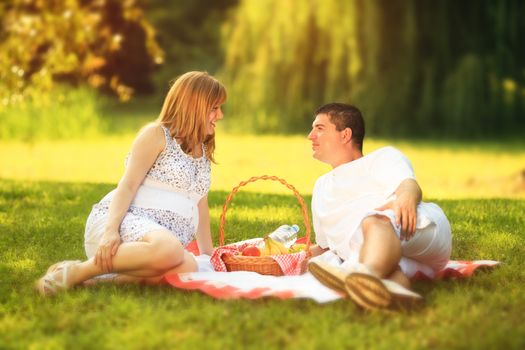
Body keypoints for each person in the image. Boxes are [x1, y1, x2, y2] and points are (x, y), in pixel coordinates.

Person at [36, 71, 226, 295]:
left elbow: (199, 205)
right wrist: (110, 232)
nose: (220, 115)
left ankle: (98, 283)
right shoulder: (156, 135)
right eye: (214, 108)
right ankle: (78, 271)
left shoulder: (203, 150)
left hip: (159, 247)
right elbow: (127, 186)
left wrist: (208, 255)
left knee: (188, 266)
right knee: (171, 251)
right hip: (123, 226)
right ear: (194, 106)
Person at [306, 103, 452, 310]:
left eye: (319, 128)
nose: (310, 136)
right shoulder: (321, 187)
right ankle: (395, 294)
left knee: (374, 219)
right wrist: (282, 257)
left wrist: (405, 198)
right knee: (380, 262)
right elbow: (324, 247)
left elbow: (408, 185)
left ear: (345, 135)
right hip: (378, 251)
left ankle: (364, 276)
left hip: (413, 227)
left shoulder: (381, 158)